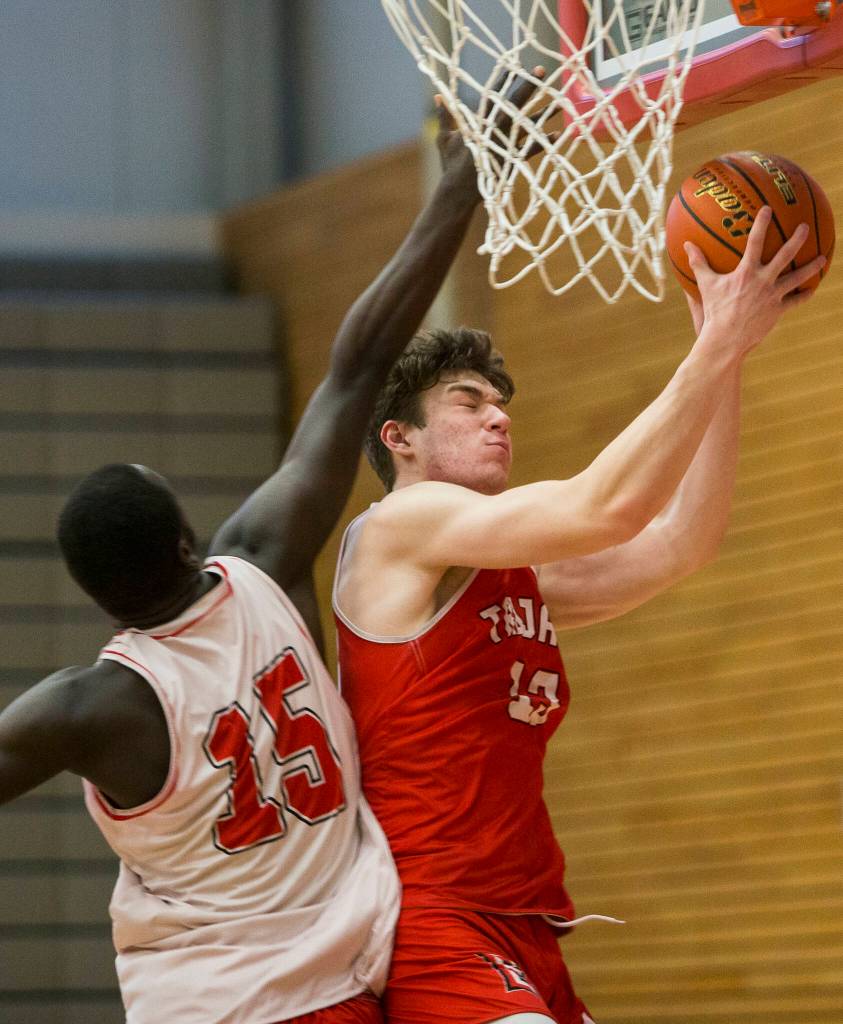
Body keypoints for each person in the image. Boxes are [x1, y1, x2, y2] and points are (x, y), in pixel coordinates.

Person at [0, 89, 510, 1023]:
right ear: (187, 539)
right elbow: (359, 366)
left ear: (101, 601)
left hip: (209, 1002)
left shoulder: (84, 707)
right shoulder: (265, 558)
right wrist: (459, 185)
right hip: (343, 978)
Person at [332, 209, 826, 1024]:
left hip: (528, 926)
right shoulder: (397, 529)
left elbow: (679, 543)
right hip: (435, 922)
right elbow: (606, 507)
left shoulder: (507, 573)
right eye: (466, 401)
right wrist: (709, 345)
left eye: (500, 403)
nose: (498, 416)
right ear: (400, 439)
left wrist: (728, 351)